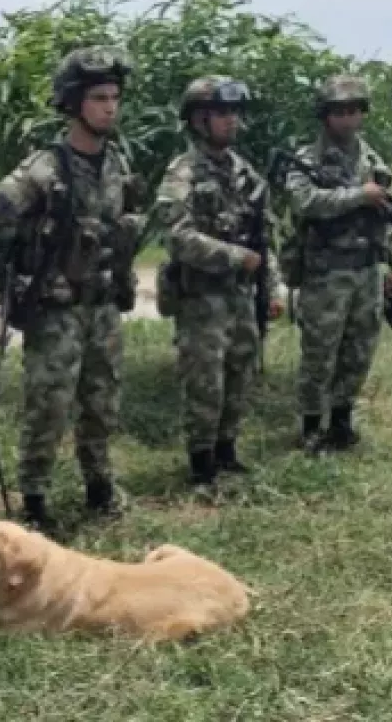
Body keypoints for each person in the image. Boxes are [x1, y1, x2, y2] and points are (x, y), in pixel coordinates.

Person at [0, 45, 144, 535]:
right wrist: (14, 287)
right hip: (55, 311)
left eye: (115, 97)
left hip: (102, 306)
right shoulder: (43, 170)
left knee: (102, 401)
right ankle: (34, 497)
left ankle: (99, 484)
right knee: (48, 404)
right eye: (99, 97)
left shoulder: (117, 162)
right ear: (73, 103)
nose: (110, 107)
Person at [154, 75, 286, 498]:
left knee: (241, 373)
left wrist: (274, 286)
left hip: (242, 295)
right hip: (202, 297)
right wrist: (231, 256)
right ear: (199, 120)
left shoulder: (244, 171)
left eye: (235, 113)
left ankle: (227, 449)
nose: (232, 121)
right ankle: (201, 463)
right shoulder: (183, 173)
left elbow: (265, 236)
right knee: (205, 379)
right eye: (222, 113)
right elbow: (177, 236)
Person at [281, 74, 392, 455]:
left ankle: (341, 420)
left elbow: (385, 216)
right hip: (325, 271)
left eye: (355, 110)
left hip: (366, 269)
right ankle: (309, 426)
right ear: (325, 115)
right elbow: (304, 202)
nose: (349, 119)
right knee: (320, 352)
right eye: (340, 111)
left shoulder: (371, 160)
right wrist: (358, 196)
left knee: (359, 350)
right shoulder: (306, 159)